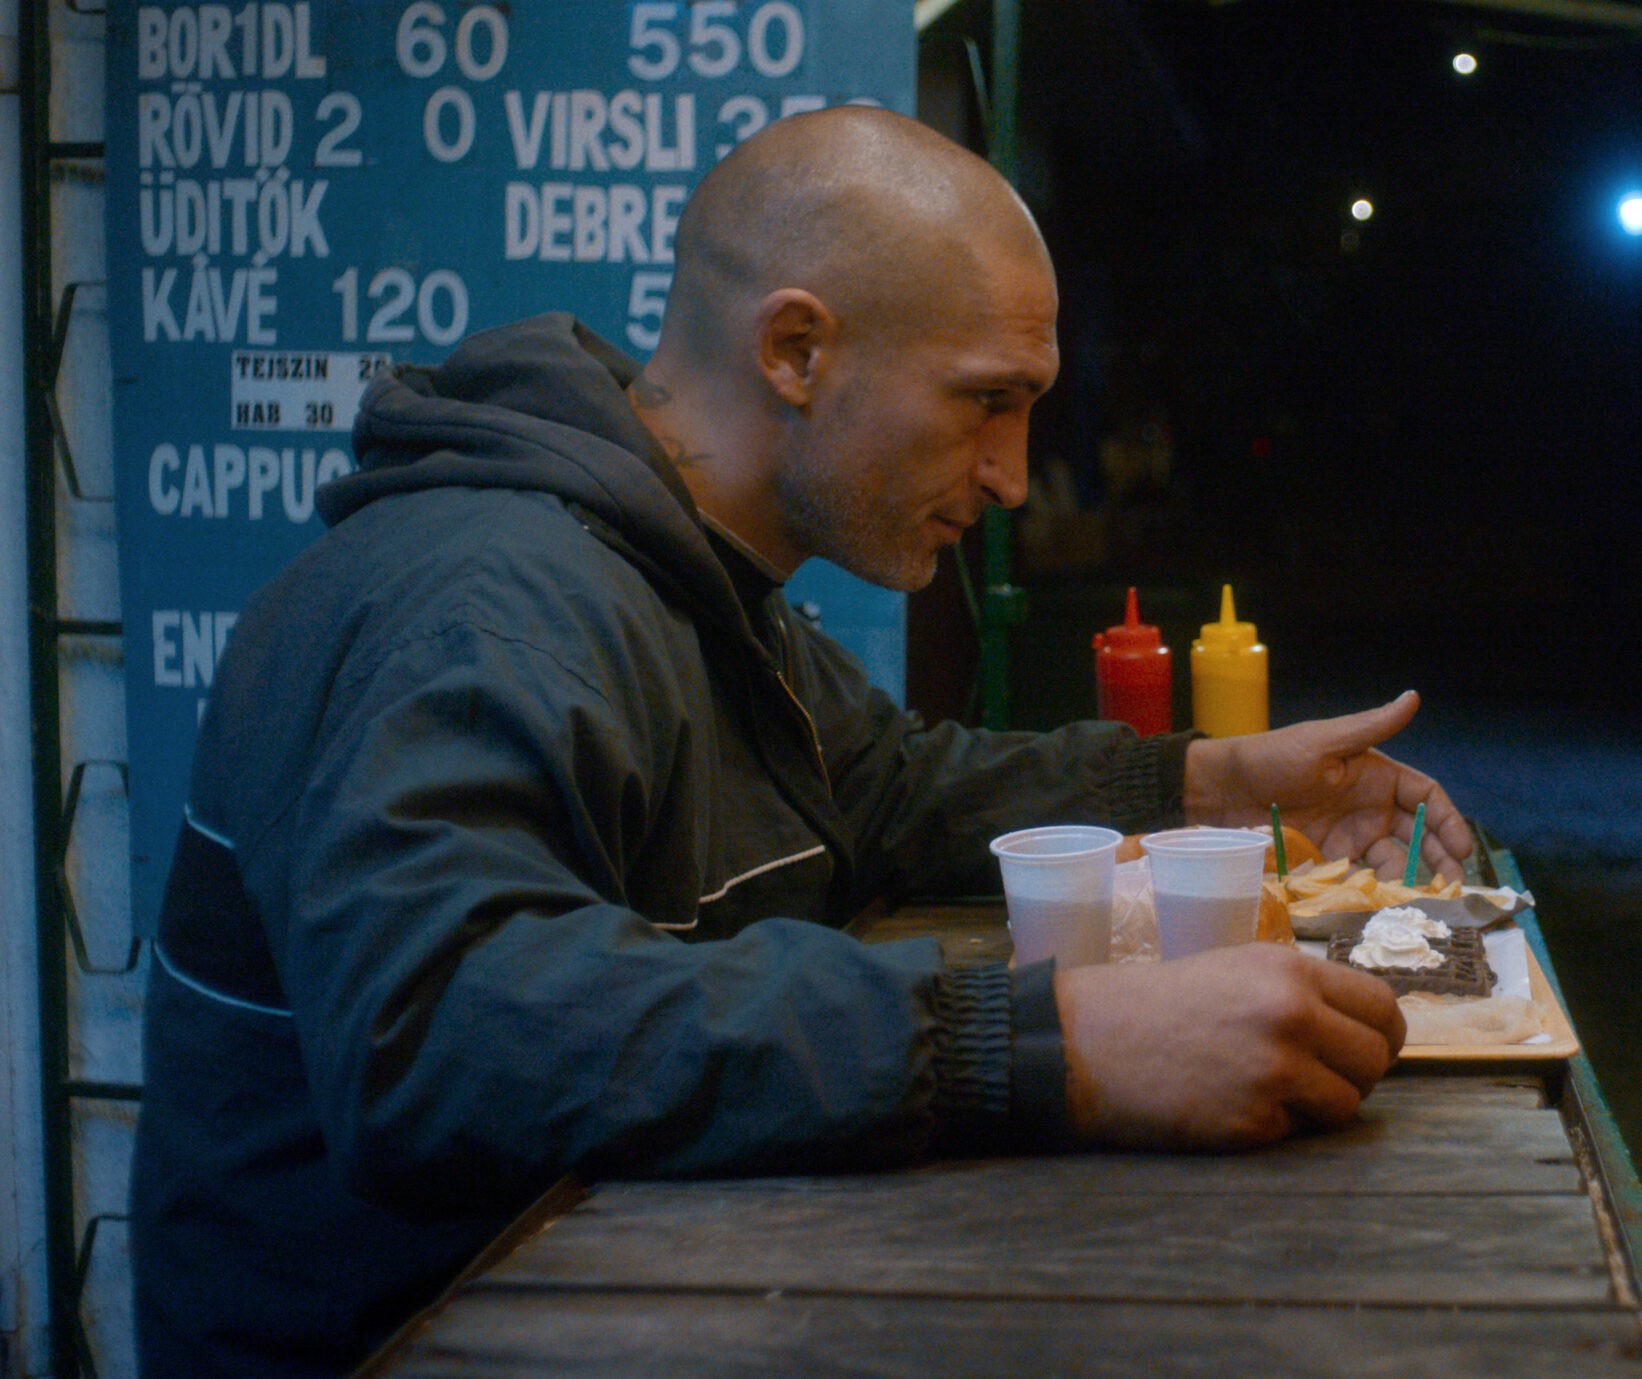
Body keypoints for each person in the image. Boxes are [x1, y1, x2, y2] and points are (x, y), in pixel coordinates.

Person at [129, 106, 1473, 1377]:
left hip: (630, 1294)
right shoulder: (480, 602)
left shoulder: (688, 575)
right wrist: (1045, 1040)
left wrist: (1206, 782)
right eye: (984, 400)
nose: (1011, 474)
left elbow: (881, 786)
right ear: (793, 351)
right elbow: (439, 1031)